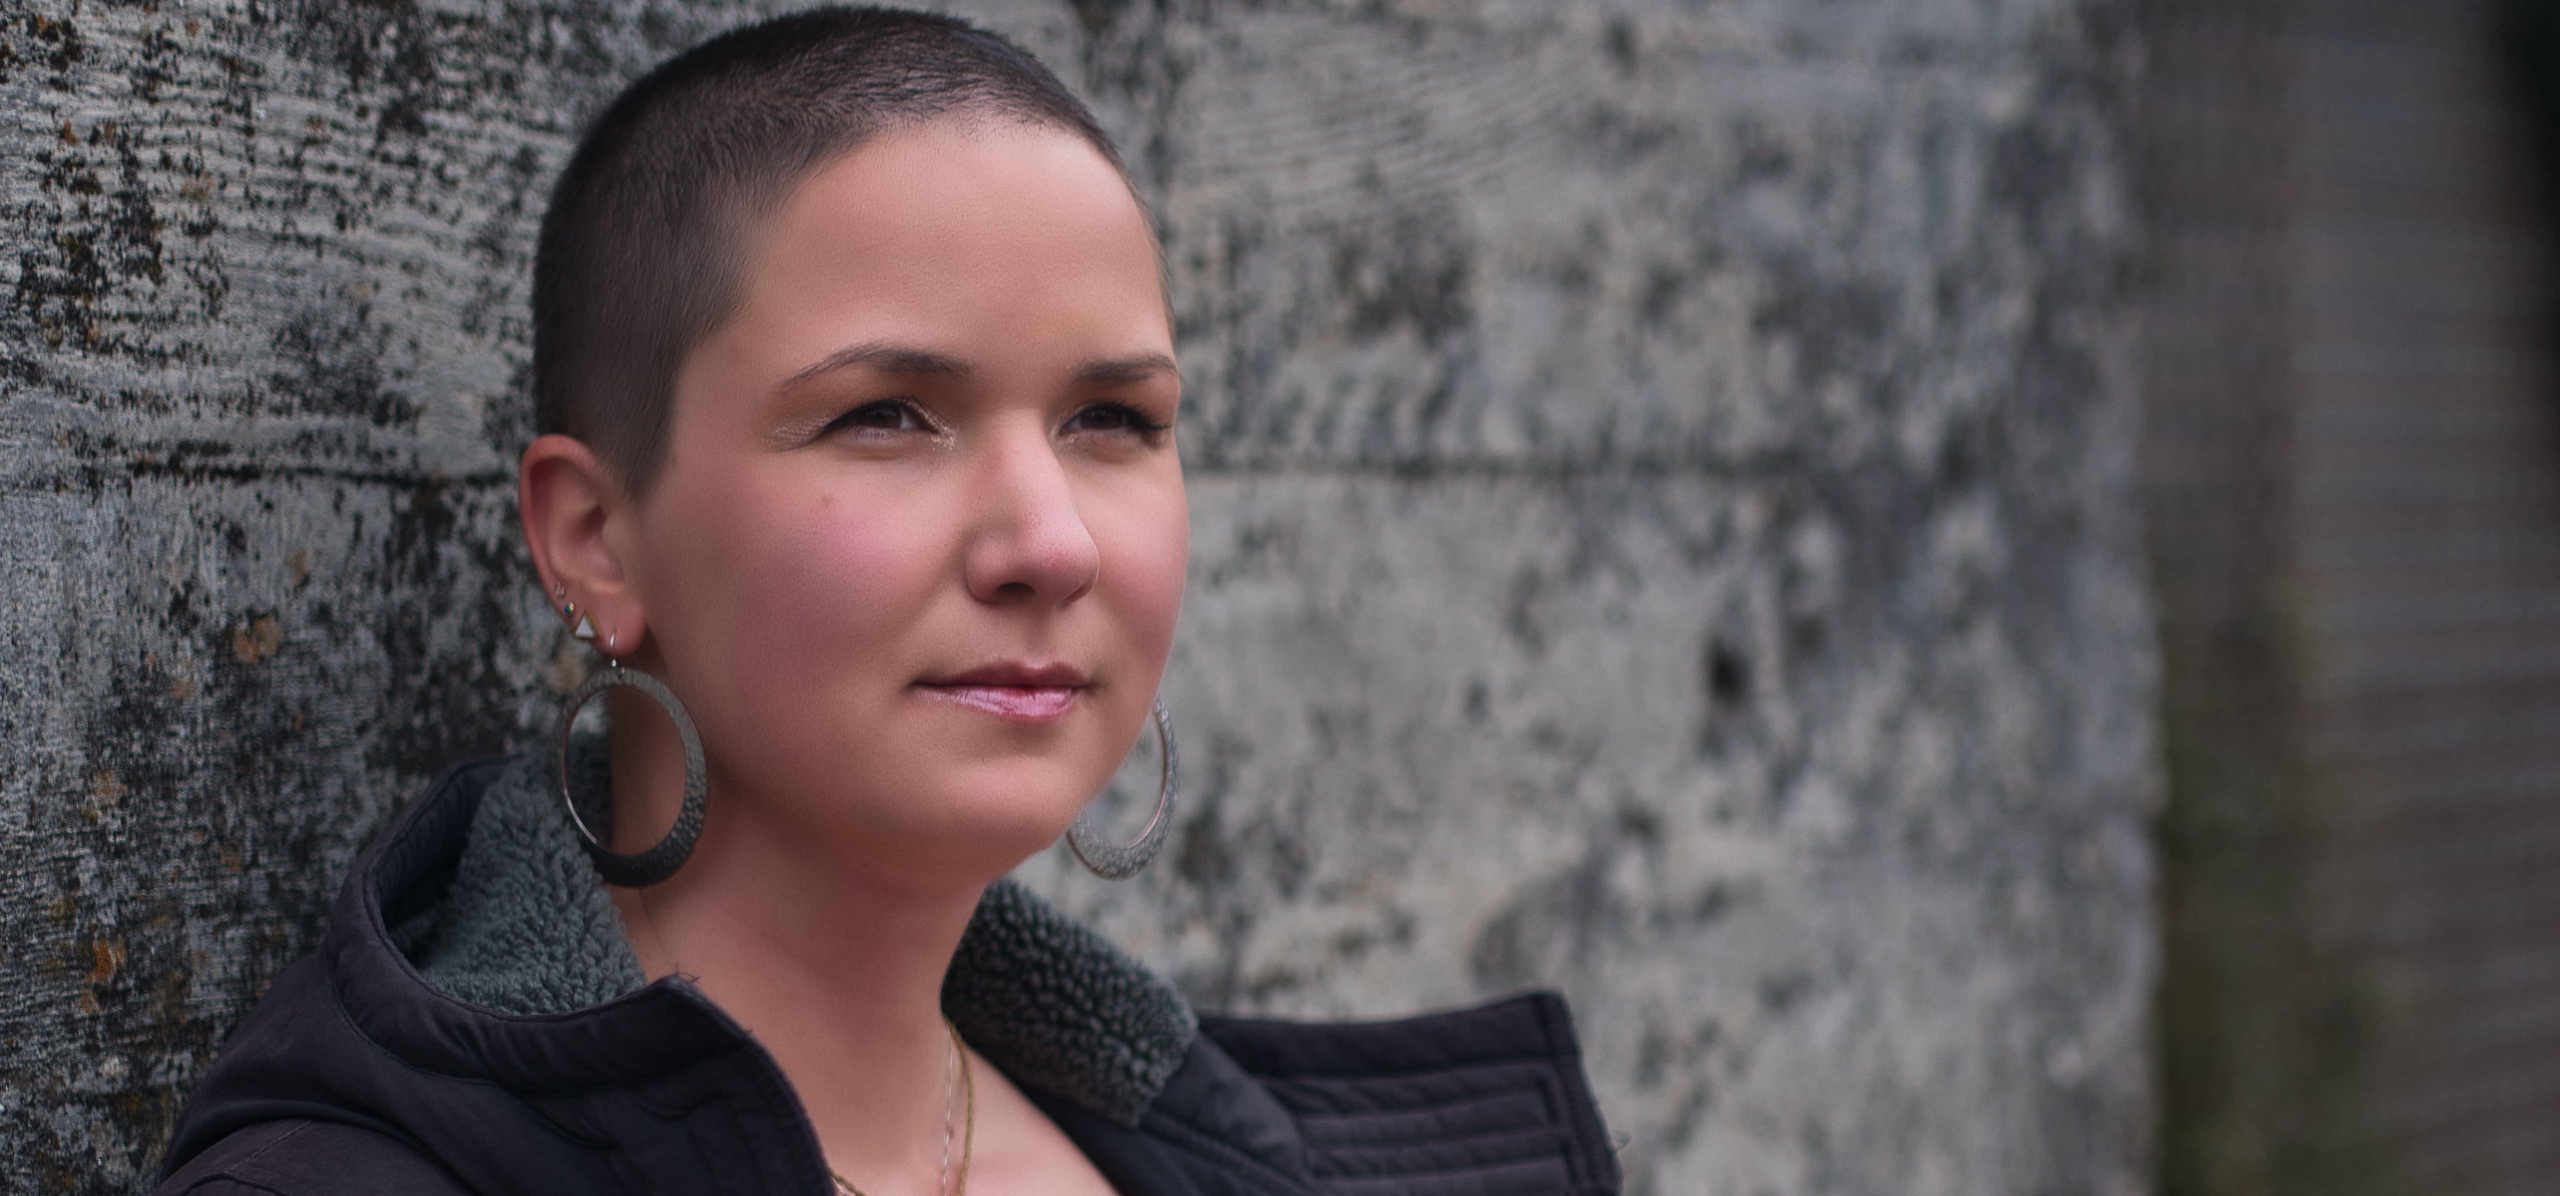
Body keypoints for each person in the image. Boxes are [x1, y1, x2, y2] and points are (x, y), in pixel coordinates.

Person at [151, 8, 1618, 1195]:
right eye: (889, 417)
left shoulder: (1217, 1149)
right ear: (597, 538)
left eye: (1112, 418)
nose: (1050, 542)